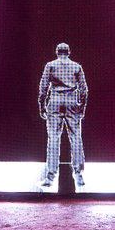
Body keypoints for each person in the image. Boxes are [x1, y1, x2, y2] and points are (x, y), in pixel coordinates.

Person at [37, 42, 88, 191]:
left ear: (57, 52)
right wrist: (82, 107)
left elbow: (43, 87)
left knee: (53, 138)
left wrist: (41, 105)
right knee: (76, 137)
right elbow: (84, 89)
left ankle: (50, 176)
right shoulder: (76, 66)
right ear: (69, 52)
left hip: (55, 100)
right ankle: (78, 174)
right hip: (72, 100)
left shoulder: (50, 65)